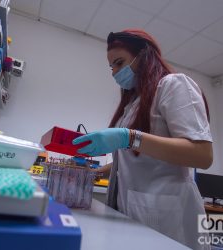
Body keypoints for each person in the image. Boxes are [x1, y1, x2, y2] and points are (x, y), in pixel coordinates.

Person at [72, 29, 213, 250]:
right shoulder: (132, 104)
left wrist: (129, 137)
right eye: (111, 67)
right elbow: (134, 160)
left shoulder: (174, 85)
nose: (114, 73)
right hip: (132, 211)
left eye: (119, 63)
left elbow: (202, 154)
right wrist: (95, 173)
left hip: (170, 216)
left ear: (144, 56)